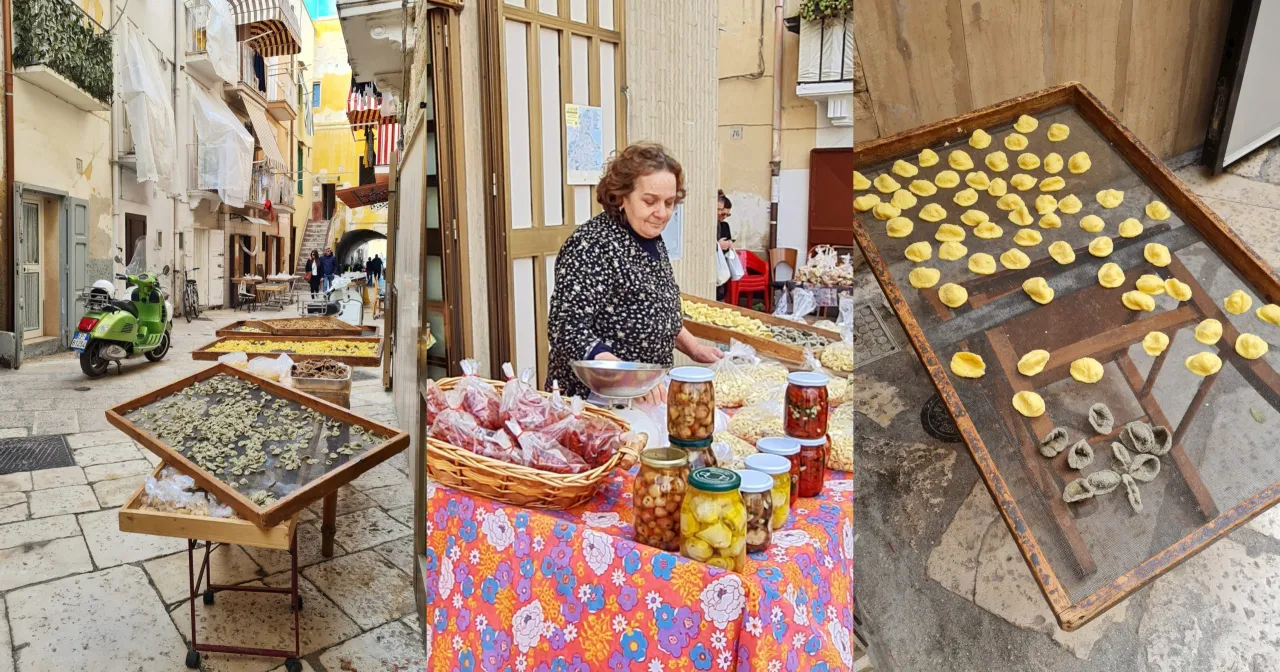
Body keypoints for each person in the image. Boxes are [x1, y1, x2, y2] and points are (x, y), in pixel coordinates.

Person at [547, 143, 723, 405]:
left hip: (644, 397)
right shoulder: (592, 245)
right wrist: (629, 378)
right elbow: (567, 327)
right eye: (650, 201)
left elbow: (659, 311)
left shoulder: (650, 238)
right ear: (621, 196)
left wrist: (694, 348)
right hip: (593, 402)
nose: (662, 213)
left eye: (669, 202)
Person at [716, 191, 734, 301]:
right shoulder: (713, 223)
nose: (724, 217)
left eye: (728, 215)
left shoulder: (723, 225)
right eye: (722, 213)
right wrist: (718, 245)